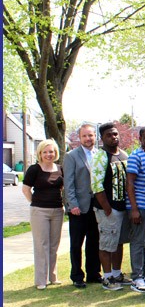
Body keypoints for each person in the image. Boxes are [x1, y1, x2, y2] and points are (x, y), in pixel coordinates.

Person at [90, 122, 130, 291]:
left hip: (122, 207)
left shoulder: (123, 155)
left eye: (115, 134)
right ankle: (107, 278)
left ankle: (117, 273)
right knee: (106, 243)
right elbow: (96, 185)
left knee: (118, 242)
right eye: (109, 135)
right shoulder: (100, 156)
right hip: (107, 209)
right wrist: (107, 209)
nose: (114, 137)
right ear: (102, 138)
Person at [22, 139, 64, 290]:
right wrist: (35, 203)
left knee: (54, 245)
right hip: (39, 211)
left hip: (58, 211)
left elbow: (62, 188)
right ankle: (41, 280)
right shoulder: (34, 169)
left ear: (55, 153)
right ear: (40, 153)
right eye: (45, 152)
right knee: (41, 245)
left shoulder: (60, 168)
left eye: (51, 151)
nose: (48, 154)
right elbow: (25, 189)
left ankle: (53, 277)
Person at [63, 124, 102, 288]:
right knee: (76, 244)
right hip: (79, 207)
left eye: (91, 135)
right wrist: (73, 205)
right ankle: (77, 276)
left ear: (95, 136)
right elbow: (68, 183)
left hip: (96, 206)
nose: (88, 138)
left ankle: (93, 274)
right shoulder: (71, 156)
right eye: (85, 136)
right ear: (79, 138)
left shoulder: (100, 155)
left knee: (94, 242)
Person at [126, 126, 145, 293]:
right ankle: (136, 277)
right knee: (138, 242)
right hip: (139, 206)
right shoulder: (135, 156)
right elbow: (129, 183)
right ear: (140, 139)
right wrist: (134, 209)